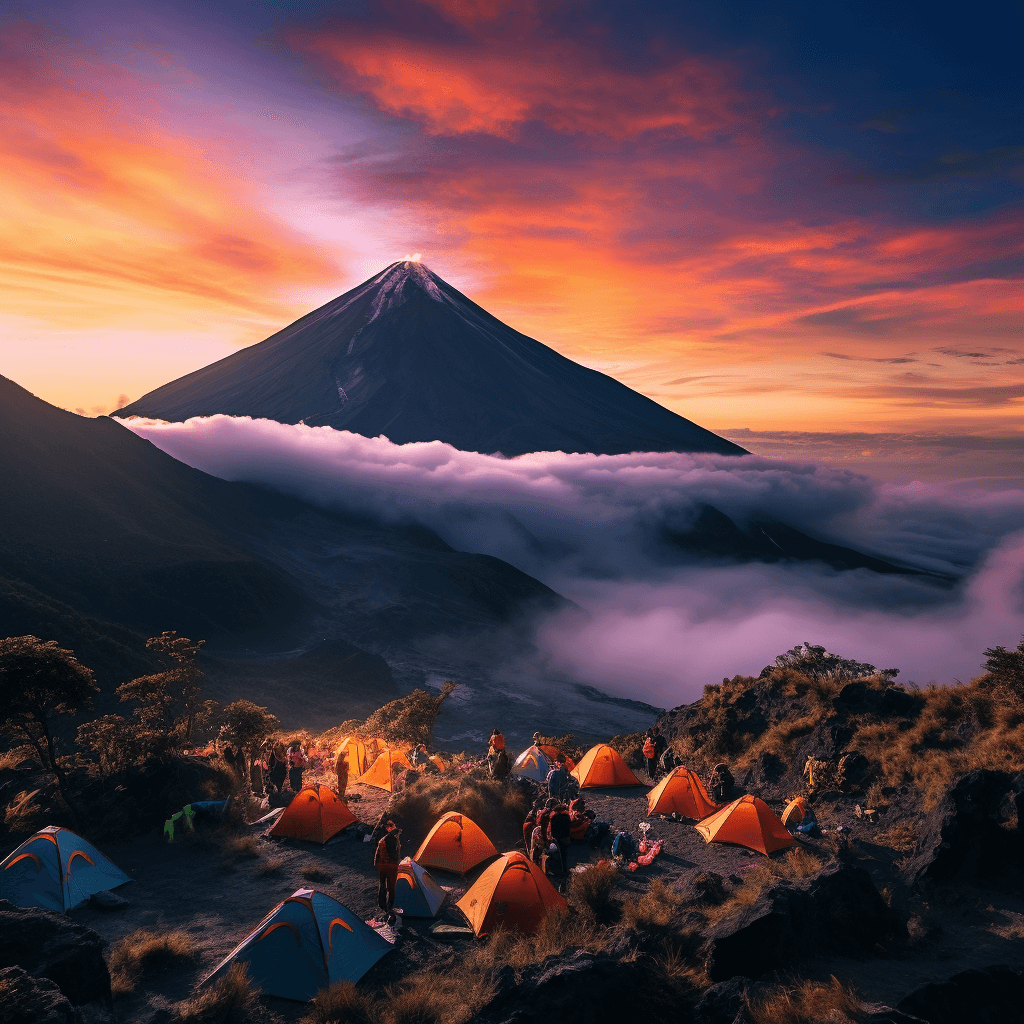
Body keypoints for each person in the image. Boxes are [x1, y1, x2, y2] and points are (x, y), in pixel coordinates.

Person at [374, 821, 402, 922]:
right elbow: (393, 854)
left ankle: (382, 904)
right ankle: (390, 908)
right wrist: (397, 862)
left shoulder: (382, 839)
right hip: (390, 865)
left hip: (381, 864)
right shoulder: (391, 839)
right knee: (391, 886)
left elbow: (377, 853)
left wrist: (376, 863)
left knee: (382, 884)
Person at [547, 802, 572, 875]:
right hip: (566, 838)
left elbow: (552, 829)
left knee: (559, 854)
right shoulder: (566, 817)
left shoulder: (554, 818)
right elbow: (569, 827)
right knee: (565, 854)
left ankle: (561, 870)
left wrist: (554, 837)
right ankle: (565, 870)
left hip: (558, 838)